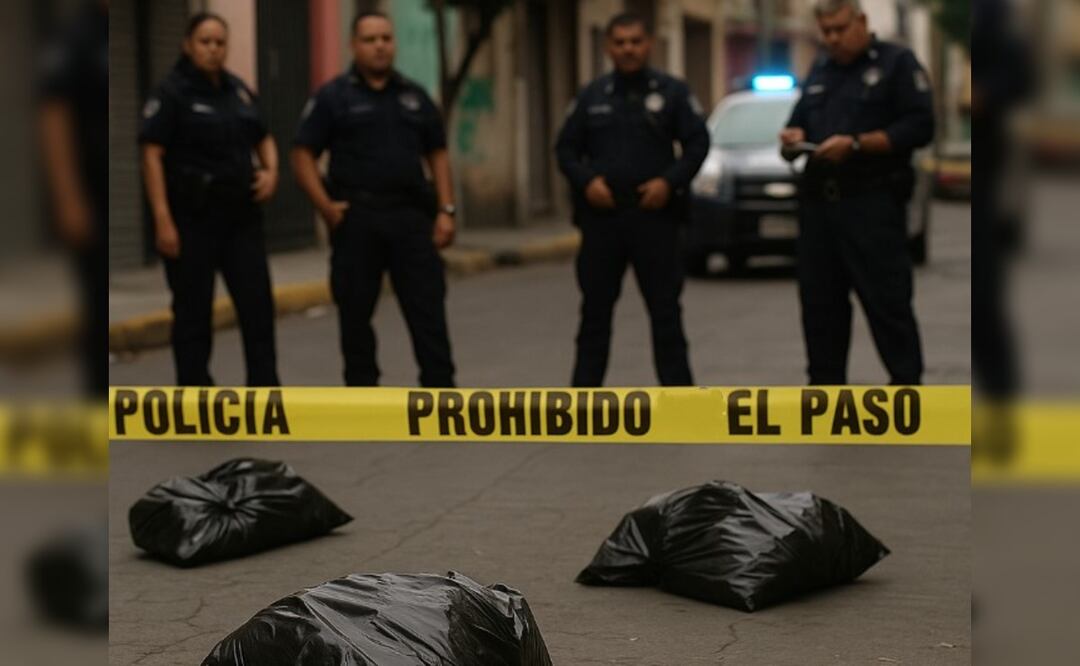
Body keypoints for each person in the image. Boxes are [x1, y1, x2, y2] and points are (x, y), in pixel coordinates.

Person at [292, 12, 456, 387]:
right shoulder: (333, 97)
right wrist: (325, 207)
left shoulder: (414, 97)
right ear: (354, 45)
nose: (380, 46)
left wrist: (446, 210)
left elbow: (437, 153)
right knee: (355, 317)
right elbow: (302, 154)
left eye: (386, 38)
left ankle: (441, 396)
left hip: (410, 217)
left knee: (428, 313)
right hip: (357, 219)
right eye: (370, 39)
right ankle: (363, 397)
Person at [780, 0, 933, 385]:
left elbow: (920, 126)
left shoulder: (896, 64)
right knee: (820, 311)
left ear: (861, 21)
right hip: (820, 208)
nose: (833, 38)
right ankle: (826, 395)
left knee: (888, 307)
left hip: (871, 205)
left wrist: (858, 144)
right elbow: (798, 123)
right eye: (826, 31)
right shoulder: (820, 69)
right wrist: (793, 139)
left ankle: (907, 392)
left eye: (840, 29)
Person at [555, 12, 709, 387]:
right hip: (603, 219)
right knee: (594, 315)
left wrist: (668, 183)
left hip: (655, 217)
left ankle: (680, 402)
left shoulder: (671, 92)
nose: (628, 49)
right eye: (620, 42)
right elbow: (565, 150)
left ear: (649, 44)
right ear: (608, 47)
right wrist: (587, 182)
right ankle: (583, 401)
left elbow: (697, 144)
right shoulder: (592, 96)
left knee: (666, 314)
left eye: (635, 41)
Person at [139, 12, 280, 386]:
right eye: (205, 42)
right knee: (193, 315)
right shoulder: (171, 93)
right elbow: (151, 156)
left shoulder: (237, 90)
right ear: (188, 45)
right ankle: (195, 394)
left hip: (241, 218)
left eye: (220, 42)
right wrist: (162, 219)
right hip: (192, 218)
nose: (213, 49)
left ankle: (265, 394)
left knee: (257, 309)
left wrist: (271, 171)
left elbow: (263, 134)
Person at [39, 0, 108, 396]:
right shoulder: (76, 38)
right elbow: (54, 116)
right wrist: (68, 198)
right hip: (88, 197)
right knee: (93, 310)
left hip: (106, 196)